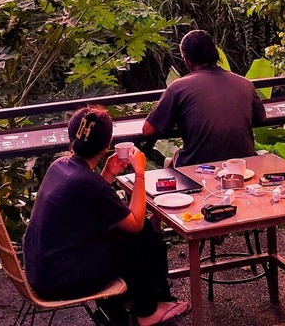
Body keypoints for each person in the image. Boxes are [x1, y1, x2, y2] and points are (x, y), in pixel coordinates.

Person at [24, 105, 190, 326]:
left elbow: (90, 200)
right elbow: (135, 225)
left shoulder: (60, 166)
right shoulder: (89, 183)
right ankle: (148, 311)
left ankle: (132, 307)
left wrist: (109, 173)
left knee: (131, 237)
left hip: (39, 270)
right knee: (144, 238)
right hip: (61, 280)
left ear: (72, 138)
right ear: (108, 144)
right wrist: (139, 173)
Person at [142, 29, 267, 167]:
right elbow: (260, 117)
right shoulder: (245, 84)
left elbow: (148, 130)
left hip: (198, 167)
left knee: (171, 163)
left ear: (186, 59)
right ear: (214, 53)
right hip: (242, 165)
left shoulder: (178, 88)